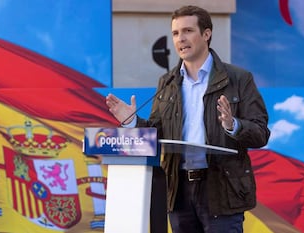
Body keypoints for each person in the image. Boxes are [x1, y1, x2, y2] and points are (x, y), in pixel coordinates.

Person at [106, 5, 270, 233]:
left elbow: (261, 133)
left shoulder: (238, 79)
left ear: (206, 34)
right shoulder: (168, 82)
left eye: (187, 31)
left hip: (221, 189)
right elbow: (157, 133)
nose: (180, 39)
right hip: (178, 190)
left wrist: (233, 125)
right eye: (175, 33)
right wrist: (132, 122)